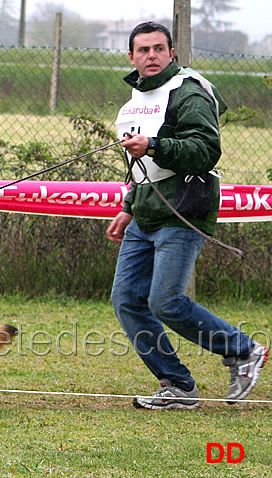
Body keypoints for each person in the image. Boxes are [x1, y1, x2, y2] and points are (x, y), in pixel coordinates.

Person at [107, 22, 268, 409]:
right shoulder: (138, 97)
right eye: (143, 50)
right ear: (131, 56)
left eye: (158, 49)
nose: (151, 56)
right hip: (145, 212)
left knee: (164, 301)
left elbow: (205, 149)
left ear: (171, 53)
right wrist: (128, 208)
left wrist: (156, 145)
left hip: (184, 210)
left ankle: (243, 350)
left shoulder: (189, 91)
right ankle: (177, 385)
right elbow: (144, 167)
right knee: (127, 299)